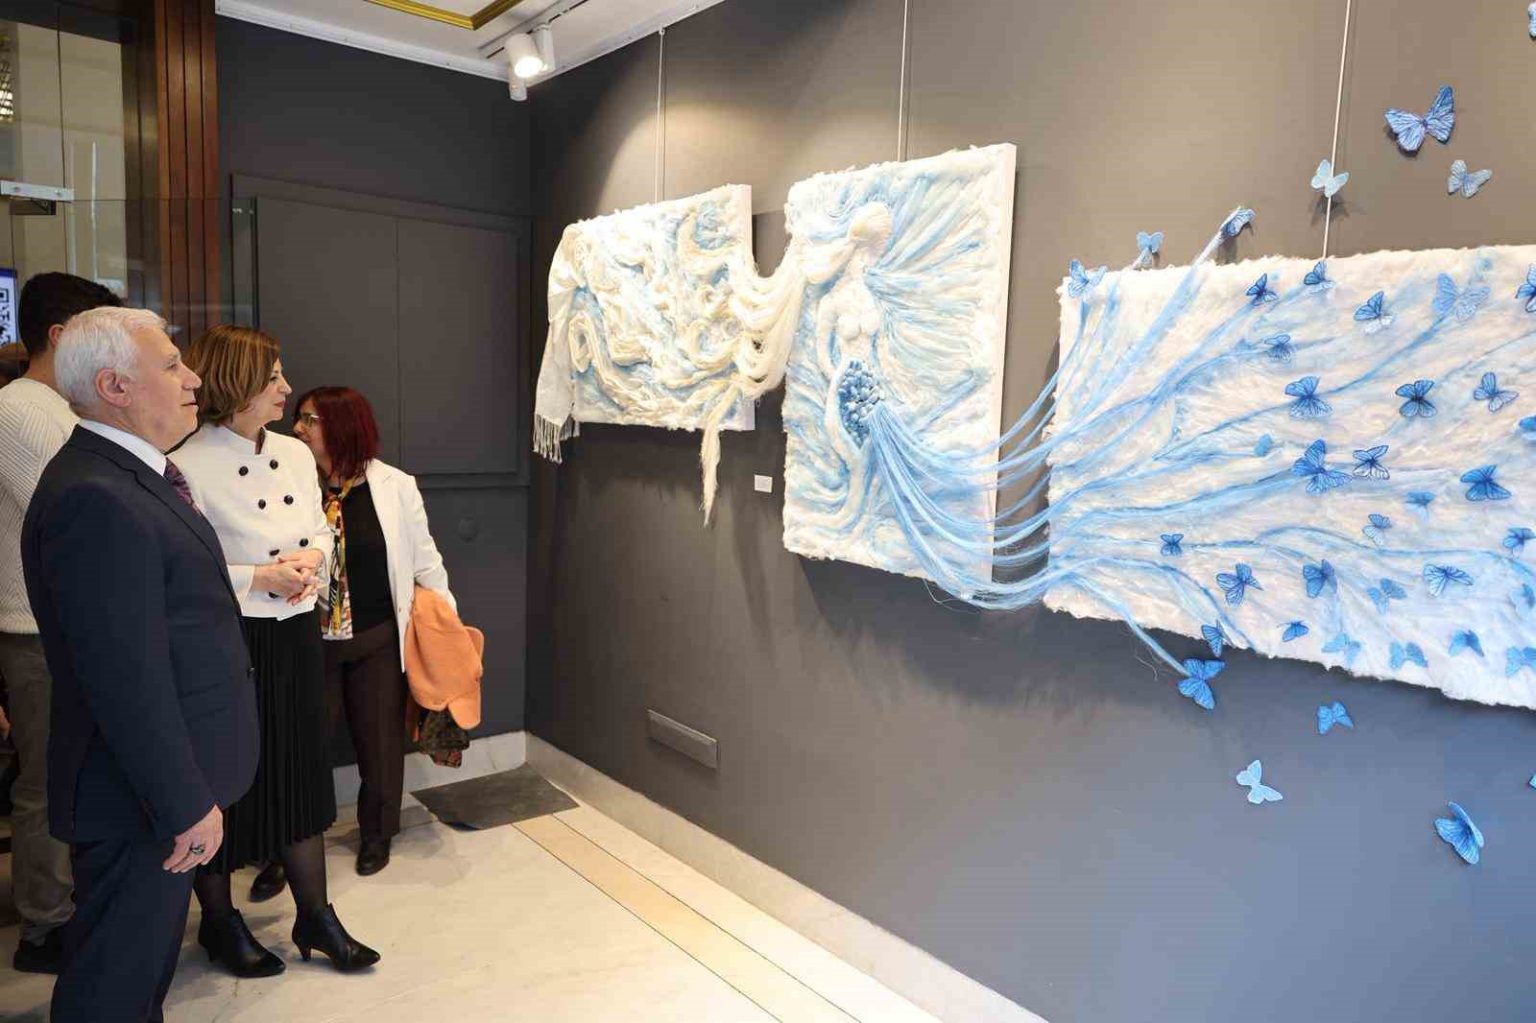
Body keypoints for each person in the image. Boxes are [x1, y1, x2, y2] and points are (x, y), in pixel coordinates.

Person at [21, 306, 258, 1023]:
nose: (193, 380)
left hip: (151, 792)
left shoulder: (130, 476)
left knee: (138, 978)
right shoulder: (95, 495)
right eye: (172, 365)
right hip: (140, 800)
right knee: (113, 989)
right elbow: (126, 679)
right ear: (114, 386)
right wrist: (183, 801)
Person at [175, 326, 379, 975]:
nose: (287, 388)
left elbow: (320, 525)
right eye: (273, 378)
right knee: (225, 776)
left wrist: (313, 558)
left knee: (300, 767)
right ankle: (220, 923)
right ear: (236, 383)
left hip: (293, 634)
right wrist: (257, 577)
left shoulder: (292, 452)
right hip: (230, 637)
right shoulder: (185, 462)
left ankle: (315, 914)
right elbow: (183, 567)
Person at [0, 273, 121, 974]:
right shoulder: (22, 409)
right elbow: (86, 511)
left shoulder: (59, 408)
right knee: (48, 782)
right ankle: (45, 924)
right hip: (38, 631)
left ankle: (70, 909)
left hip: (66, 625)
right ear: (60, 336)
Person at [292, 386, 455, 877]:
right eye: (299, 418)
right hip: (309, 643)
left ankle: (377, 834)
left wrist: (447, 630)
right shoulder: (291, 483)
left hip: (377, 639)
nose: (297, 428)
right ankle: (290, 845)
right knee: (300, 748)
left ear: (343, 427)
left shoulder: (396, 486)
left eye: (309, 420)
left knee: (381, 746)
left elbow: (426, 563)